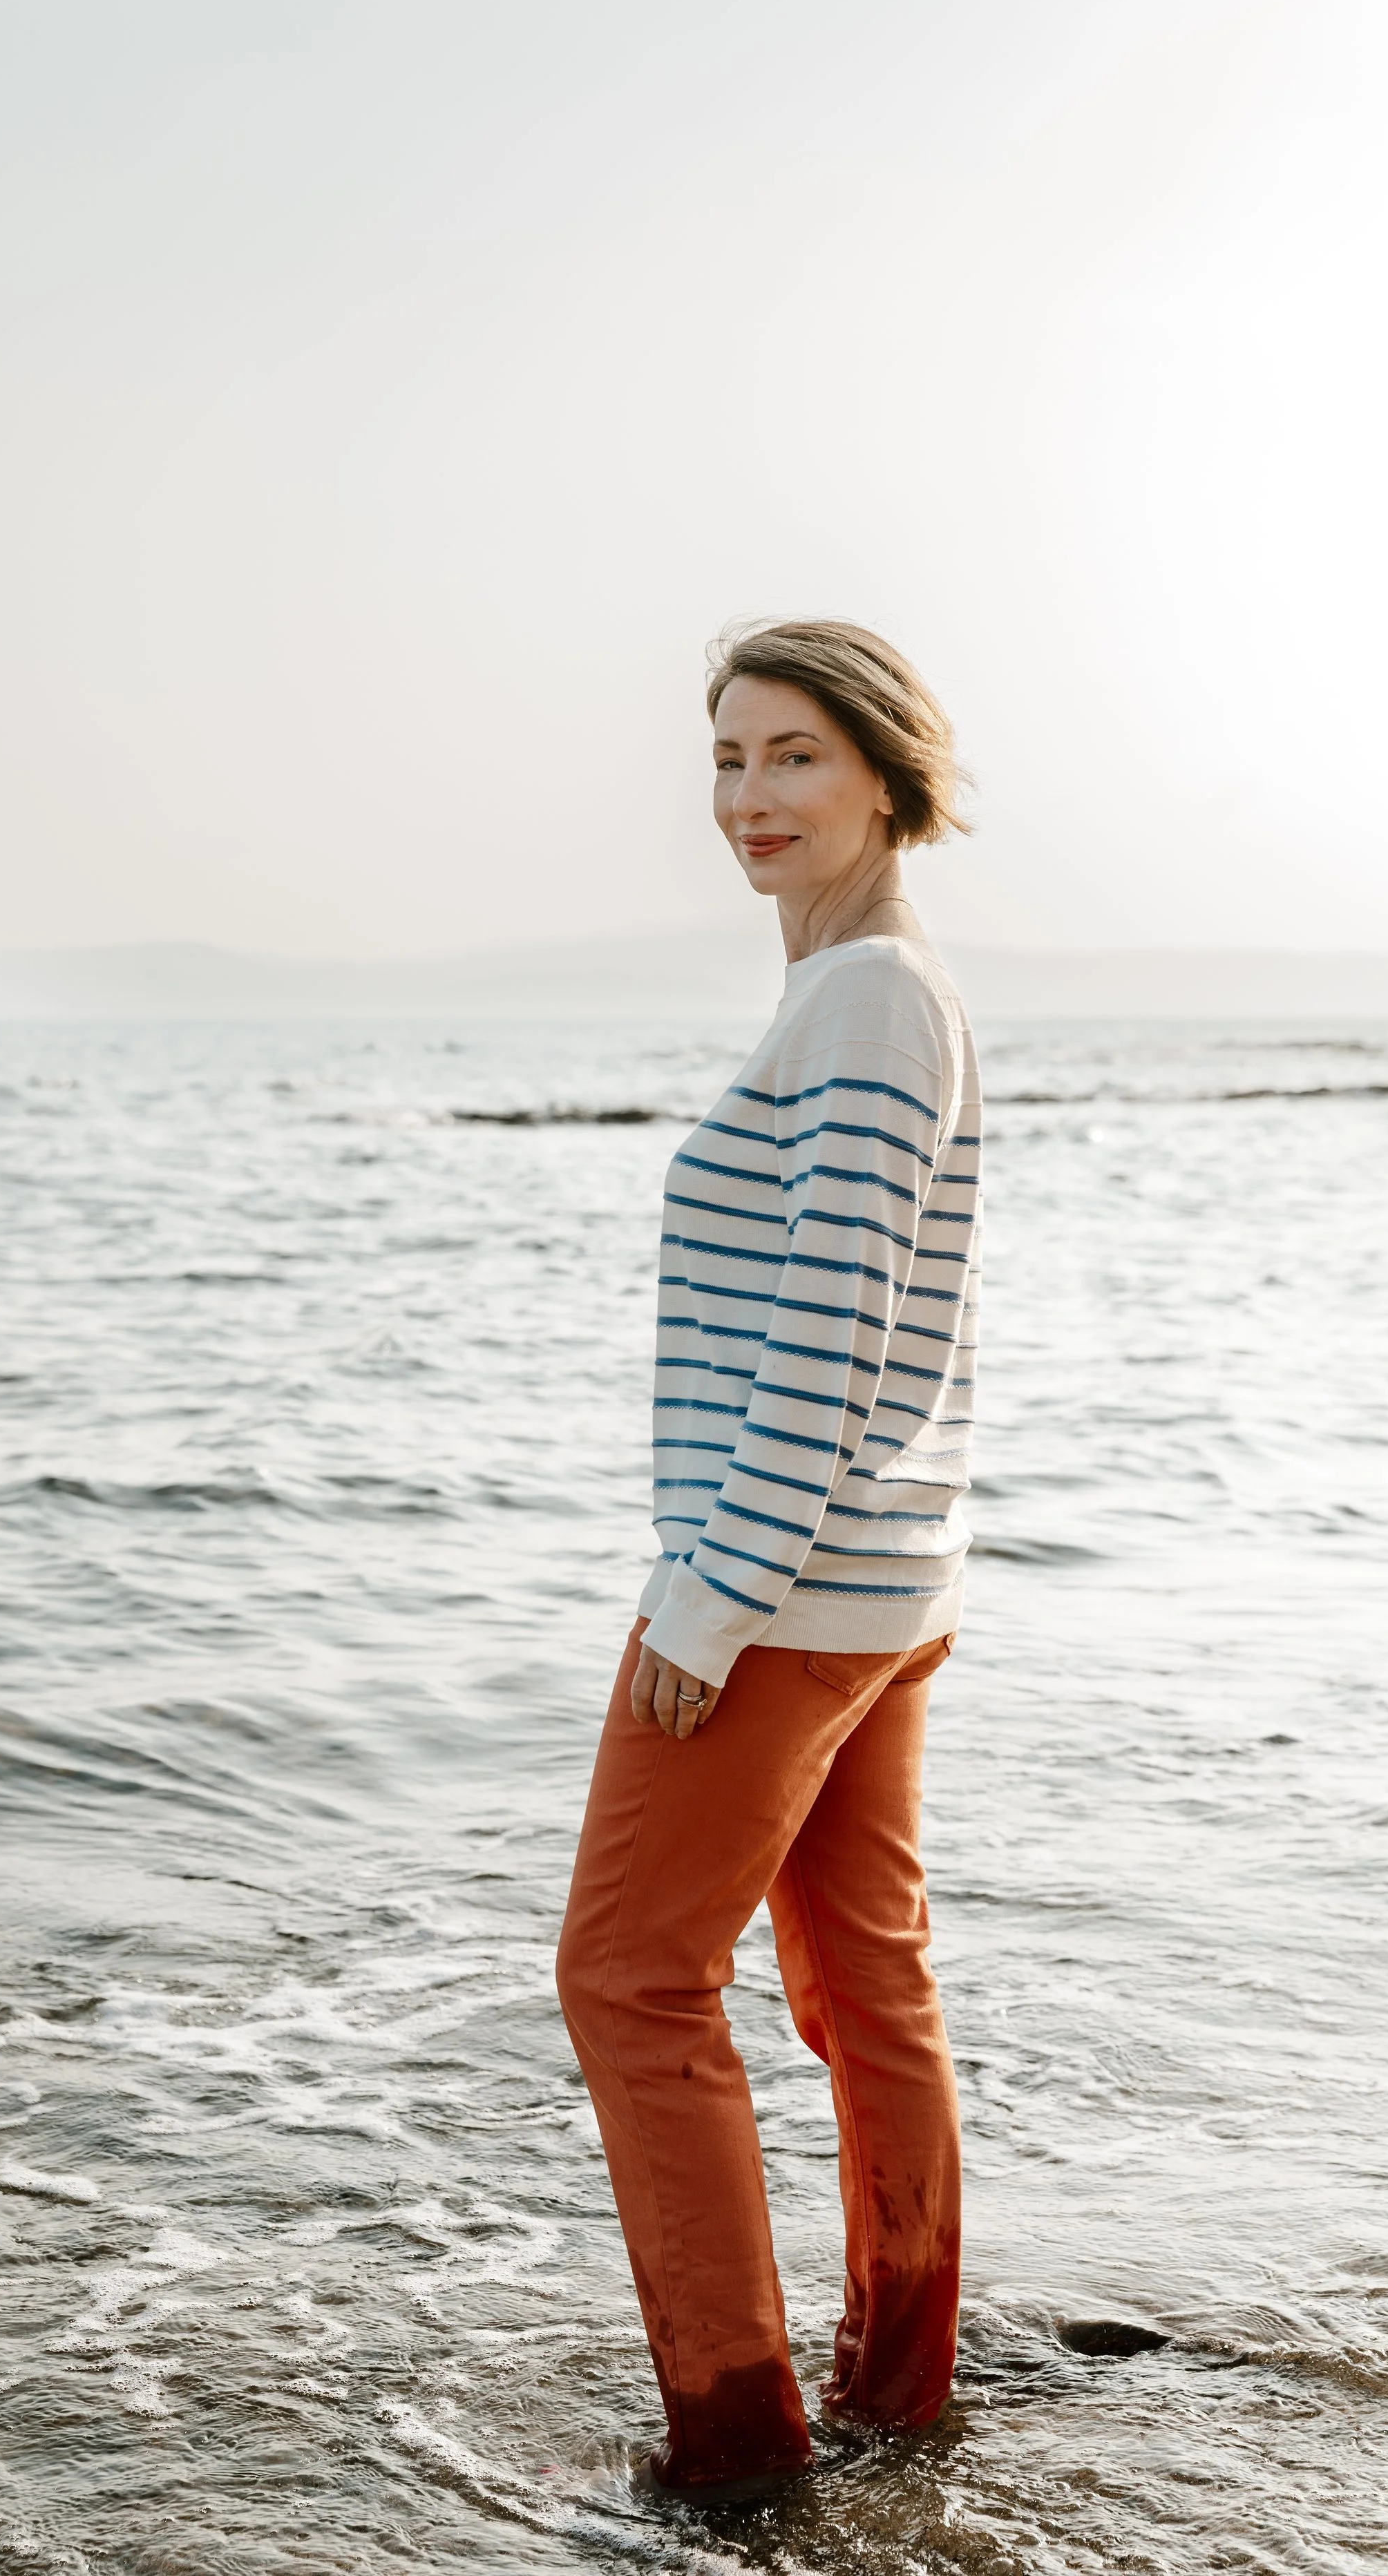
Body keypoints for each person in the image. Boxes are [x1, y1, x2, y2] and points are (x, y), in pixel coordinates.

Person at [555, 619, 982, 2504]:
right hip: (880, 1585)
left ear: (887, 775)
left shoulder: (868, 999)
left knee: (629, 1981)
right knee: (862, 1986)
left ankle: (733, 2447)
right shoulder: (862, 991)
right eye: (727, 758)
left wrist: (713, 1596)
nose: (749, 795)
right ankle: (900, 2383)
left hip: (790, 1590)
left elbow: (832, 1330)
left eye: (794, 755)